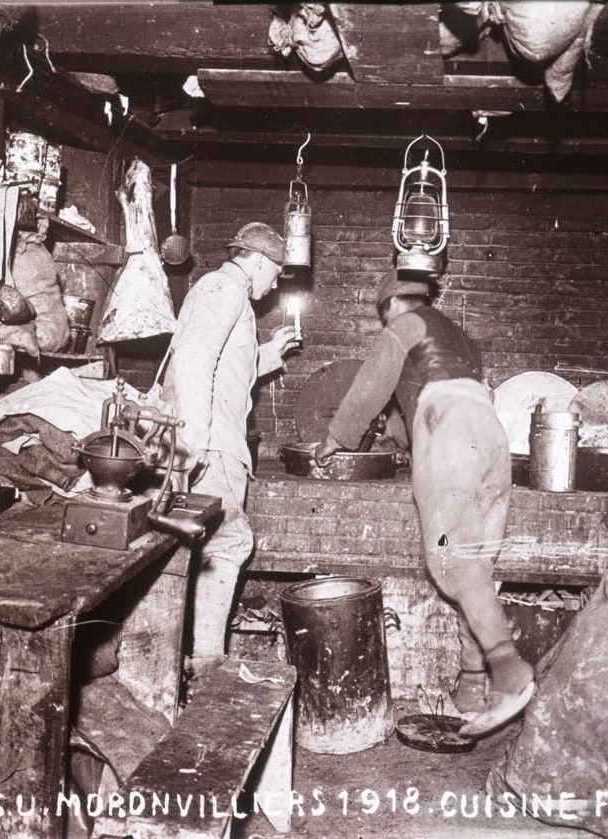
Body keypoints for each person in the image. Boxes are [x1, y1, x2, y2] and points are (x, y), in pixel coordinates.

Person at [314, 271, 534, 737]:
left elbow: (372, 384)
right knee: (476, 563)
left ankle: (509, 670)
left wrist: (336, 438)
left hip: (448, 426)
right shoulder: (461, 340)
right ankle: (473, 686)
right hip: (489, 434)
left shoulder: (405, 323)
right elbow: (404, 413)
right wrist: (399, 437)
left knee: (453, 560)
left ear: (391, 305)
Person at [161, 222, 300, 668]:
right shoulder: (224, 288)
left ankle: (191, 659)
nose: (275, 283)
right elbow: (193, 361)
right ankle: (205, 664)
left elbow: (226, 370)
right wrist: (196, 438)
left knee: (199, 547)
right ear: (258, 262)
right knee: (229, 542)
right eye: (276, 273)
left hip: (212, 437)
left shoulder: (224, 292)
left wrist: (269, 351)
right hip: (211, 442)